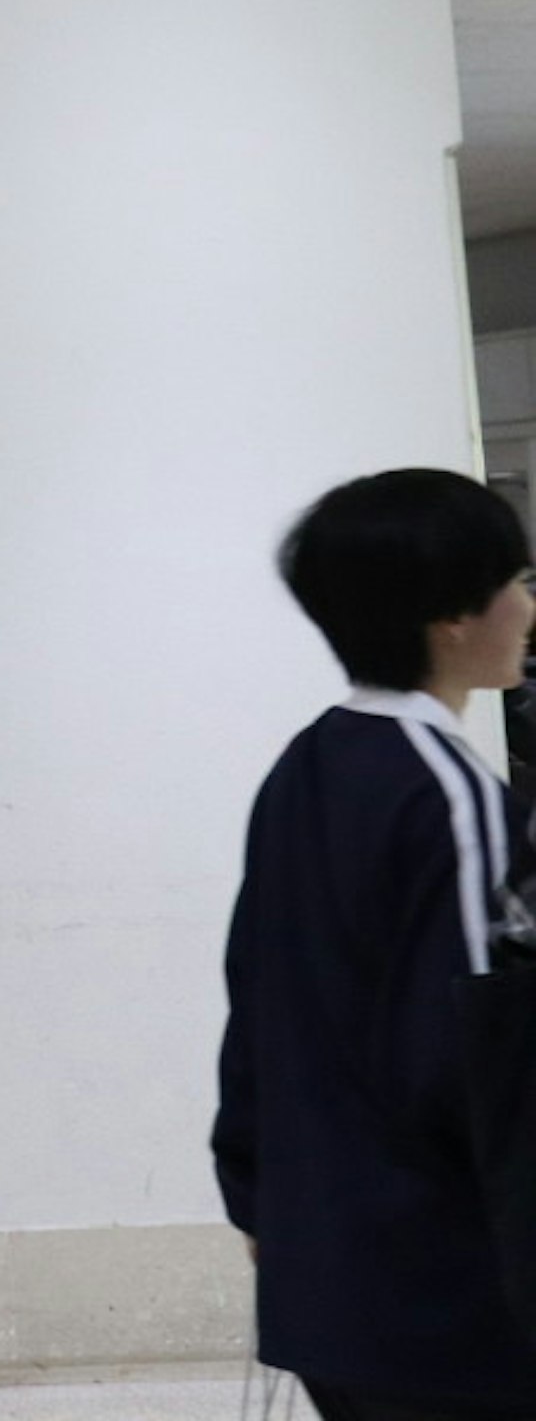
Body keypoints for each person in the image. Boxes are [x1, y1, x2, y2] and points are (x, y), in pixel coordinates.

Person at [216, 468, 536, 1421]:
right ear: (451, 616)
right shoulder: (455, 794)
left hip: (324, 1267)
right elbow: (484, 1059)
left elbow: (255, 1005)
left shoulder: (308, 767)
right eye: (516, 582)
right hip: (447, 1280)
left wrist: (257, 1195)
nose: (527, 607)